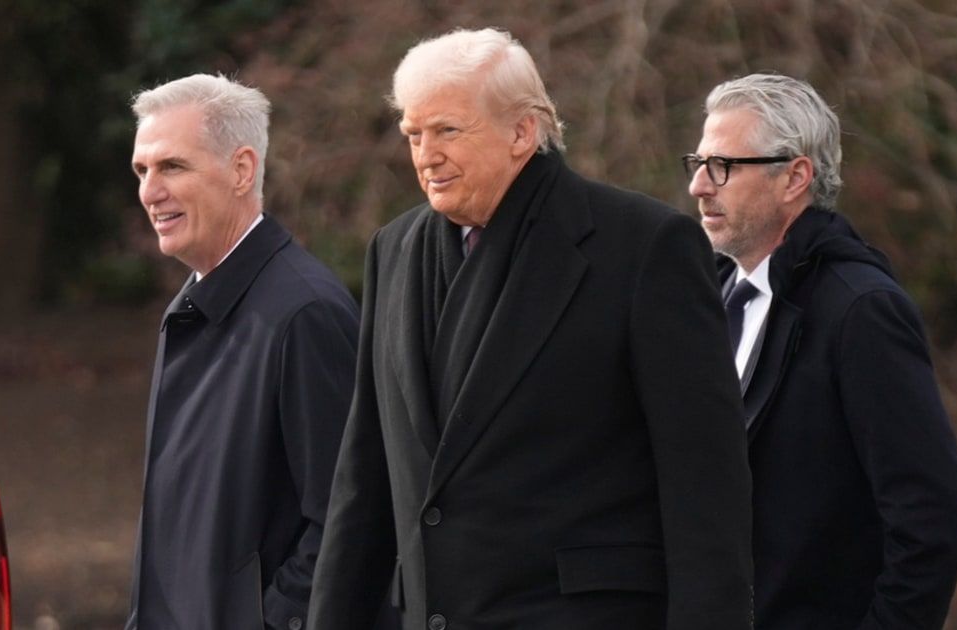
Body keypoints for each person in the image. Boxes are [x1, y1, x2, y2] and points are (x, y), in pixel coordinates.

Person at [307, 28, 753, 630]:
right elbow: (365, 473)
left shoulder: (644, 246)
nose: (424, 154)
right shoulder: (394, 249)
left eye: (447, 131)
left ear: (523, 131)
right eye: (413, 134)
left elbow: (705, 482)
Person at [685, 73, 957, 629]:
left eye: (722, 165)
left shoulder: (860, 310)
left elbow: (933, 520)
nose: (699, 184)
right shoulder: (710, 294)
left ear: (795, 177)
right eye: (696, 163)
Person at [125, 73, 361, 630]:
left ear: (242, 169)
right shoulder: (191, 303)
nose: (150, 191)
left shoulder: (305, 311)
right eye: (142, 170)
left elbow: (347, 519)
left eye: (172, 166)